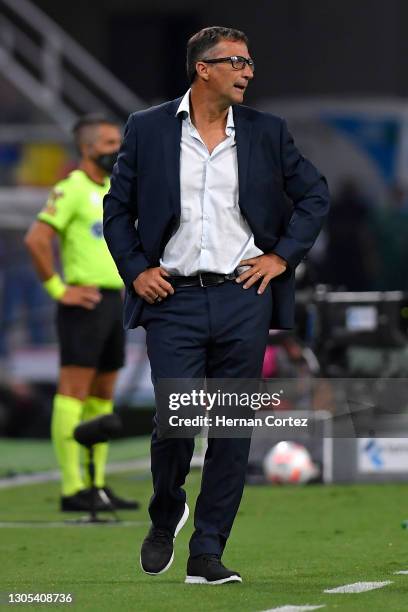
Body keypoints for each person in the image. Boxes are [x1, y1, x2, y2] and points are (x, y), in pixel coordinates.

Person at [103, 26, 329, 584]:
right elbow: (117, 210)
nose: (248, 71)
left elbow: (315, 195)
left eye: (250, 63)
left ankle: (207, 551)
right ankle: (166, 510)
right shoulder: (148, 128)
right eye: (237, 62)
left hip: (243, 296)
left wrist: (281, 258)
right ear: (203, 69)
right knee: (176, 421)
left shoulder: (267, 132)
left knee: (230, 429)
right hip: (172, 298)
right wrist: (136, 271)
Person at [24, 114, 139, 513]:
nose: (117, 150)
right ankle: (73, 488)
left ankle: (98, 484)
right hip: (82, 304)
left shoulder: (113, 190)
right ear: (88, 147)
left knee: (102, 395)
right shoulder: (70, 189)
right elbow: (37, 240)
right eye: (109, 143)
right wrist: (59, 289)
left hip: (112, 301)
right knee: (73, 391)